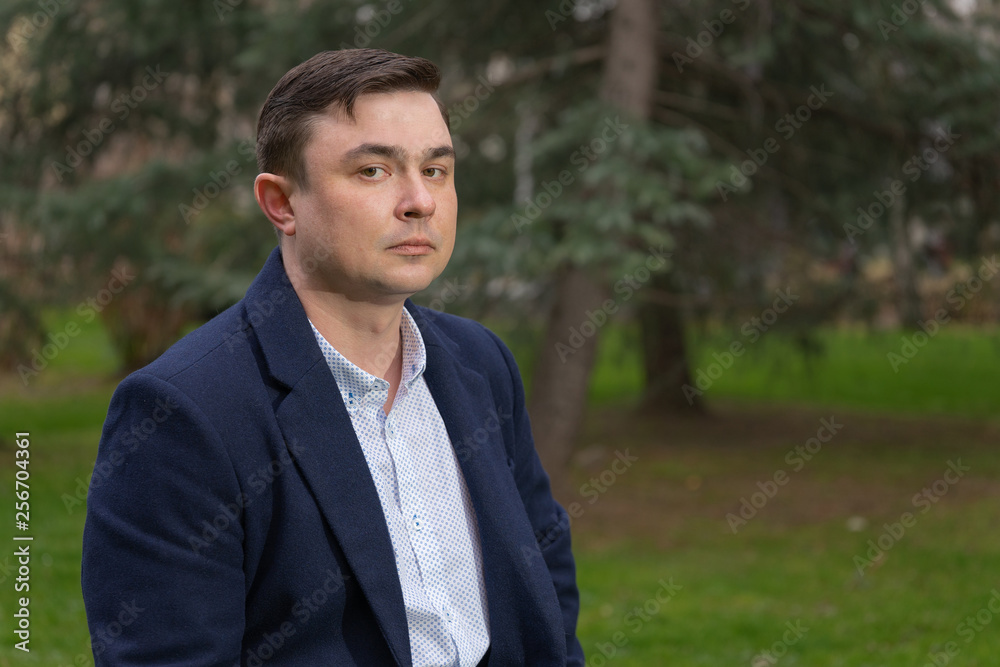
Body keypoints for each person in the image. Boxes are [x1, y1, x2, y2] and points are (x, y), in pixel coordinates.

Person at [81, 48, 585, 666]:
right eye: (373, 170)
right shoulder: (182, 415)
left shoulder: (481, 361)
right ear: (282, 203)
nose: (419, 201)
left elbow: (544, 575)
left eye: (435, 169)